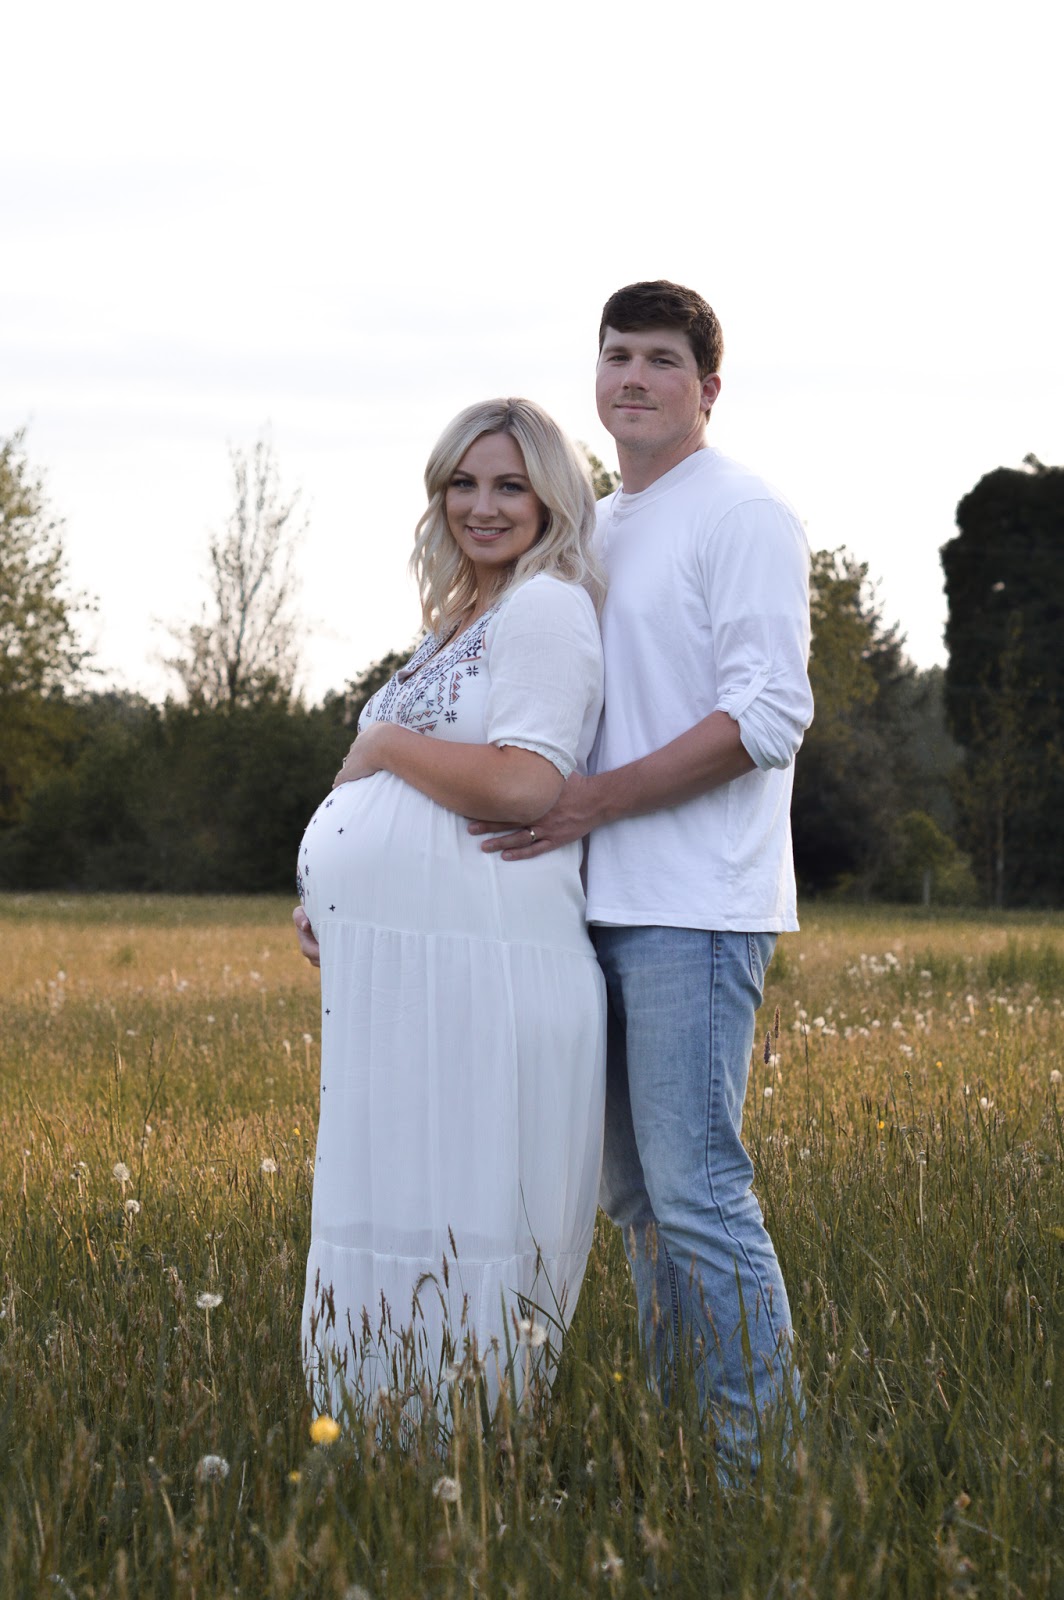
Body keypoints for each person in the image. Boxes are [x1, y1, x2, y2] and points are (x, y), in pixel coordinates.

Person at [469, 281, 814, 1471]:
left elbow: (768, 715)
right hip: (591, 905)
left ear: (706, 387)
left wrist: (595, 802)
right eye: (615, 354)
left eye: (661, 358)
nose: (632, 376)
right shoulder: (597, 525)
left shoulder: (742, 513)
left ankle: (760, 1467)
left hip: (693, 907)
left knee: (697, 1189)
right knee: (636, 1203)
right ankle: (687, 1443)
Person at [294, 398, 606, 1421]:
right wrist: (332, 895)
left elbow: (523, 783)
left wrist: (383, 747)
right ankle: (381, 1439)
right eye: (463, 484)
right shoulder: (462, 617)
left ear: (550, 497)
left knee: (461, 1213)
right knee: (397, 1199)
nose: (482, 506)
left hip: (487, 968)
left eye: (510, 485)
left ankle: (470, 1446)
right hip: (413, 973)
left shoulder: (545, 606)